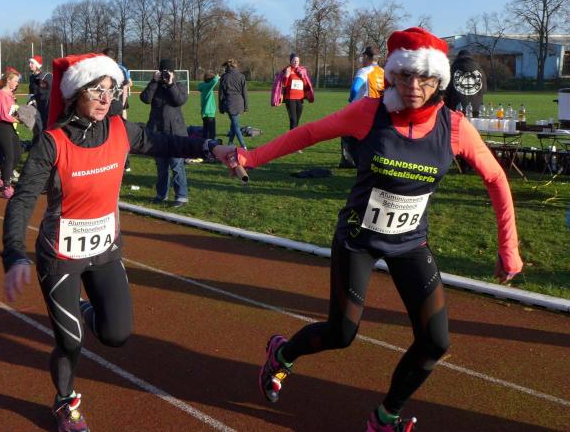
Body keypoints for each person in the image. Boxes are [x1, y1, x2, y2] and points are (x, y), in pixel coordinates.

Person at [216, 28, 522, 431]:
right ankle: (282, 354)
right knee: (341, 333)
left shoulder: (455, 128)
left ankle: (385, 417)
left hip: (410, 242)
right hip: (358, 239)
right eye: (405, 75)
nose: (414, 87)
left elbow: (497, 179)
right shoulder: (369, 113)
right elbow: (309, 133)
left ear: (439, 81)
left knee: (435, 342)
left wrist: (508, 248)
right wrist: (251, 157)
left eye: (425, 78)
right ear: (392, 75)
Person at [2, 53, 222, 432]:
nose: (105, 98)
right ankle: (65, 402)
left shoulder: (121, 129)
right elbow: (22, 200)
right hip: (61, 256)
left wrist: (210, 148)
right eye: (96, 91)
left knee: (116, 334)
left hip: (105, 251)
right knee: (71, 342)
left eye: (110, 90)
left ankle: (80, 307)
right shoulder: (52, 143)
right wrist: (14, 254)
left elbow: (166, 142)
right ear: (75, 94)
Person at [140, 59, 190, 207]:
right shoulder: (155, 86)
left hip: (175, 132)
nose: (165, 75)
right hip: (157, 133)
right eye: (163, 72)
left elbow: (179, 100)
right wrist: (153, 82)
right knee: (161, 167)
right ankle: (161, 195)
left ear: (173, 73)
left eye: (168, 72)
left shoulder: (179, 86)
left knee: (176, 166)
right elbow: (145, 99)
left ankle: (181, 196)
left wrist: (171, 84)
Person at [342, 46, 385, 168]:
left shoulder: (364, 71)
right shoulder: (383, 72)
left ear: (366, 56)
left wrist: (352, 99)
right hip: (378, 110)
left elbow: (355, 88)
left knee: (347, 132)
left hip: (362, 109)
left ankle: (350, 161)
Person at [0, 68, 22, 198]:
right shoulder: (1, 94)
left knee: (18, 153)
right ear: (8, 80)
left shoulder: (10, 94)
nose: (17, 83)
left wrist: (21, 115)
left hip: (10, 126)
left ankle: (3, 178)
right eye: (15, 81)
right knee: (9, 155)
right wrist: (18, 120)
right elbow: (3, 114)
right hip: (2, 126)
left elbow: (12, 111)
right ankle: (6, 186)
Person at [445, 49, 486, 117]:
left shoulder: (452, 70)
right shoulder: (480, 70)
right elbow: (484, 89)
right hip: (475, 109)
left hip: (455, 109)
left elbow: (446, 90)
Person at [218, 58, 248, 150]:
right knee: (234, 124)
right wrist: (246, 107)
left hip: (230, 103)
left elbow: (221, 94)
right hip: (239, 103)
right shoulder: (241, 76)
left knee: (235, 125)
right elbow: (245, 93)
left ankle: (243, 146)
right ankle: (230, 143)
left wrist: (220, 107)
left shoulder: (224, 77)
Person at [279, 54, 313, 130]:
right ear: (290, 61)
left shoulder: (302, 70)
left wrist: (303, 77)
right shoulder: (287, 70)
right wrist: (286, 76)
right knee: (293, 120)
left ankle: (294, 136)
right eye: (294, 60)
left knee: (297, 121)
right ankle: (291, 136)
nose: (296, 62)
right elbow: (283, 85)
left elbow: (306, 84)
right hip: (290, 98)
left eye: (297, 61)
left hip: (300, 98)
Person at [26, 55, 52, 133]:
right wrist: (31, 98)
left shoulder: (46, 76)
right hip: (35, 106)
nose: (29, 65)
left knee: (44, 127)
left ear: (37, 65)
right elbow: (32, 91)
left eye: (32, 63)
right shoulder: (32, 77)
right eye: (29, 63)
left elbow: (48, 91)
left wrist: (37, 98)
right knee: (36, 128)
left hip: (45, 106)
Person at [198, 70, 219, 141]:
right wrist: (217, 76)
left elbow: (199, 86)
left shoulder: (203, 86)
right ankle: (211, 145)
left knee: (205, 131)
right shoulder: (208, 87)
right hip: (209, 113)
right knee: (212, 133)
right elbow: (215, 80)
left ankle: (204, 143)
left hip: (204, 113)